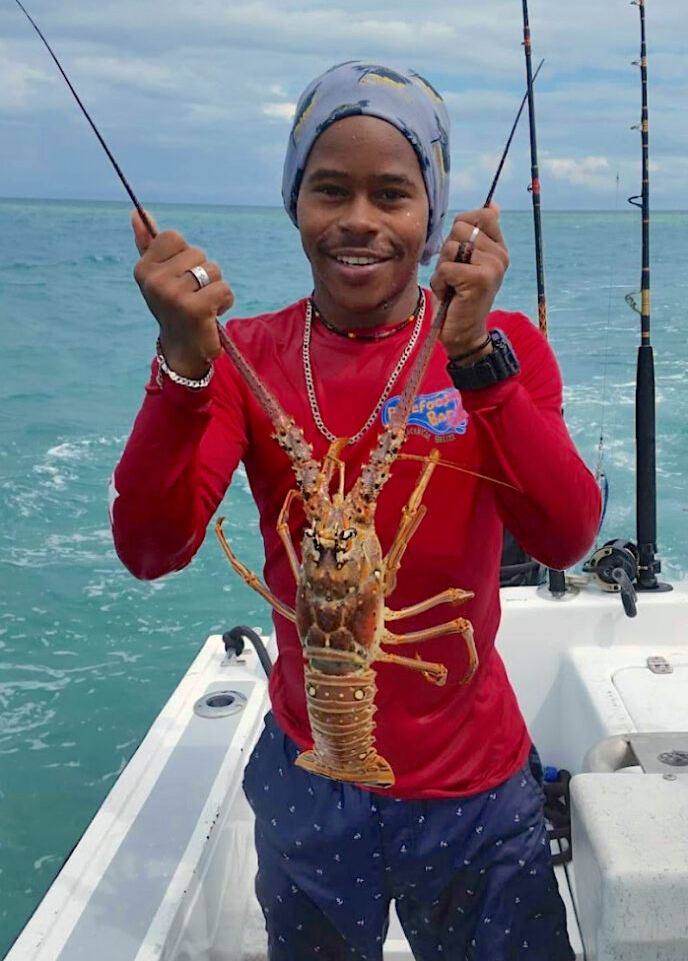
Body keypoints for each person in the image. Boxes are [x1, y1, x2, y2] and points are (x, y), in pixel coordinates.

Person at [111, 61, 601, 960]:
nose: (361, 221)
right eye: (330, 190)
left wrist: (477, 360)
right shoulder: (246, 355)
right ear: (296, 202)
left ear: (435, 211)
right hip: (310, 775)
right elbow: (150, 548)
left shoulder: (503, 347)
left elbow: (566, 535)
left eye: (394, 194)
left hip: (472, 786)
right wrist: (185, 363)